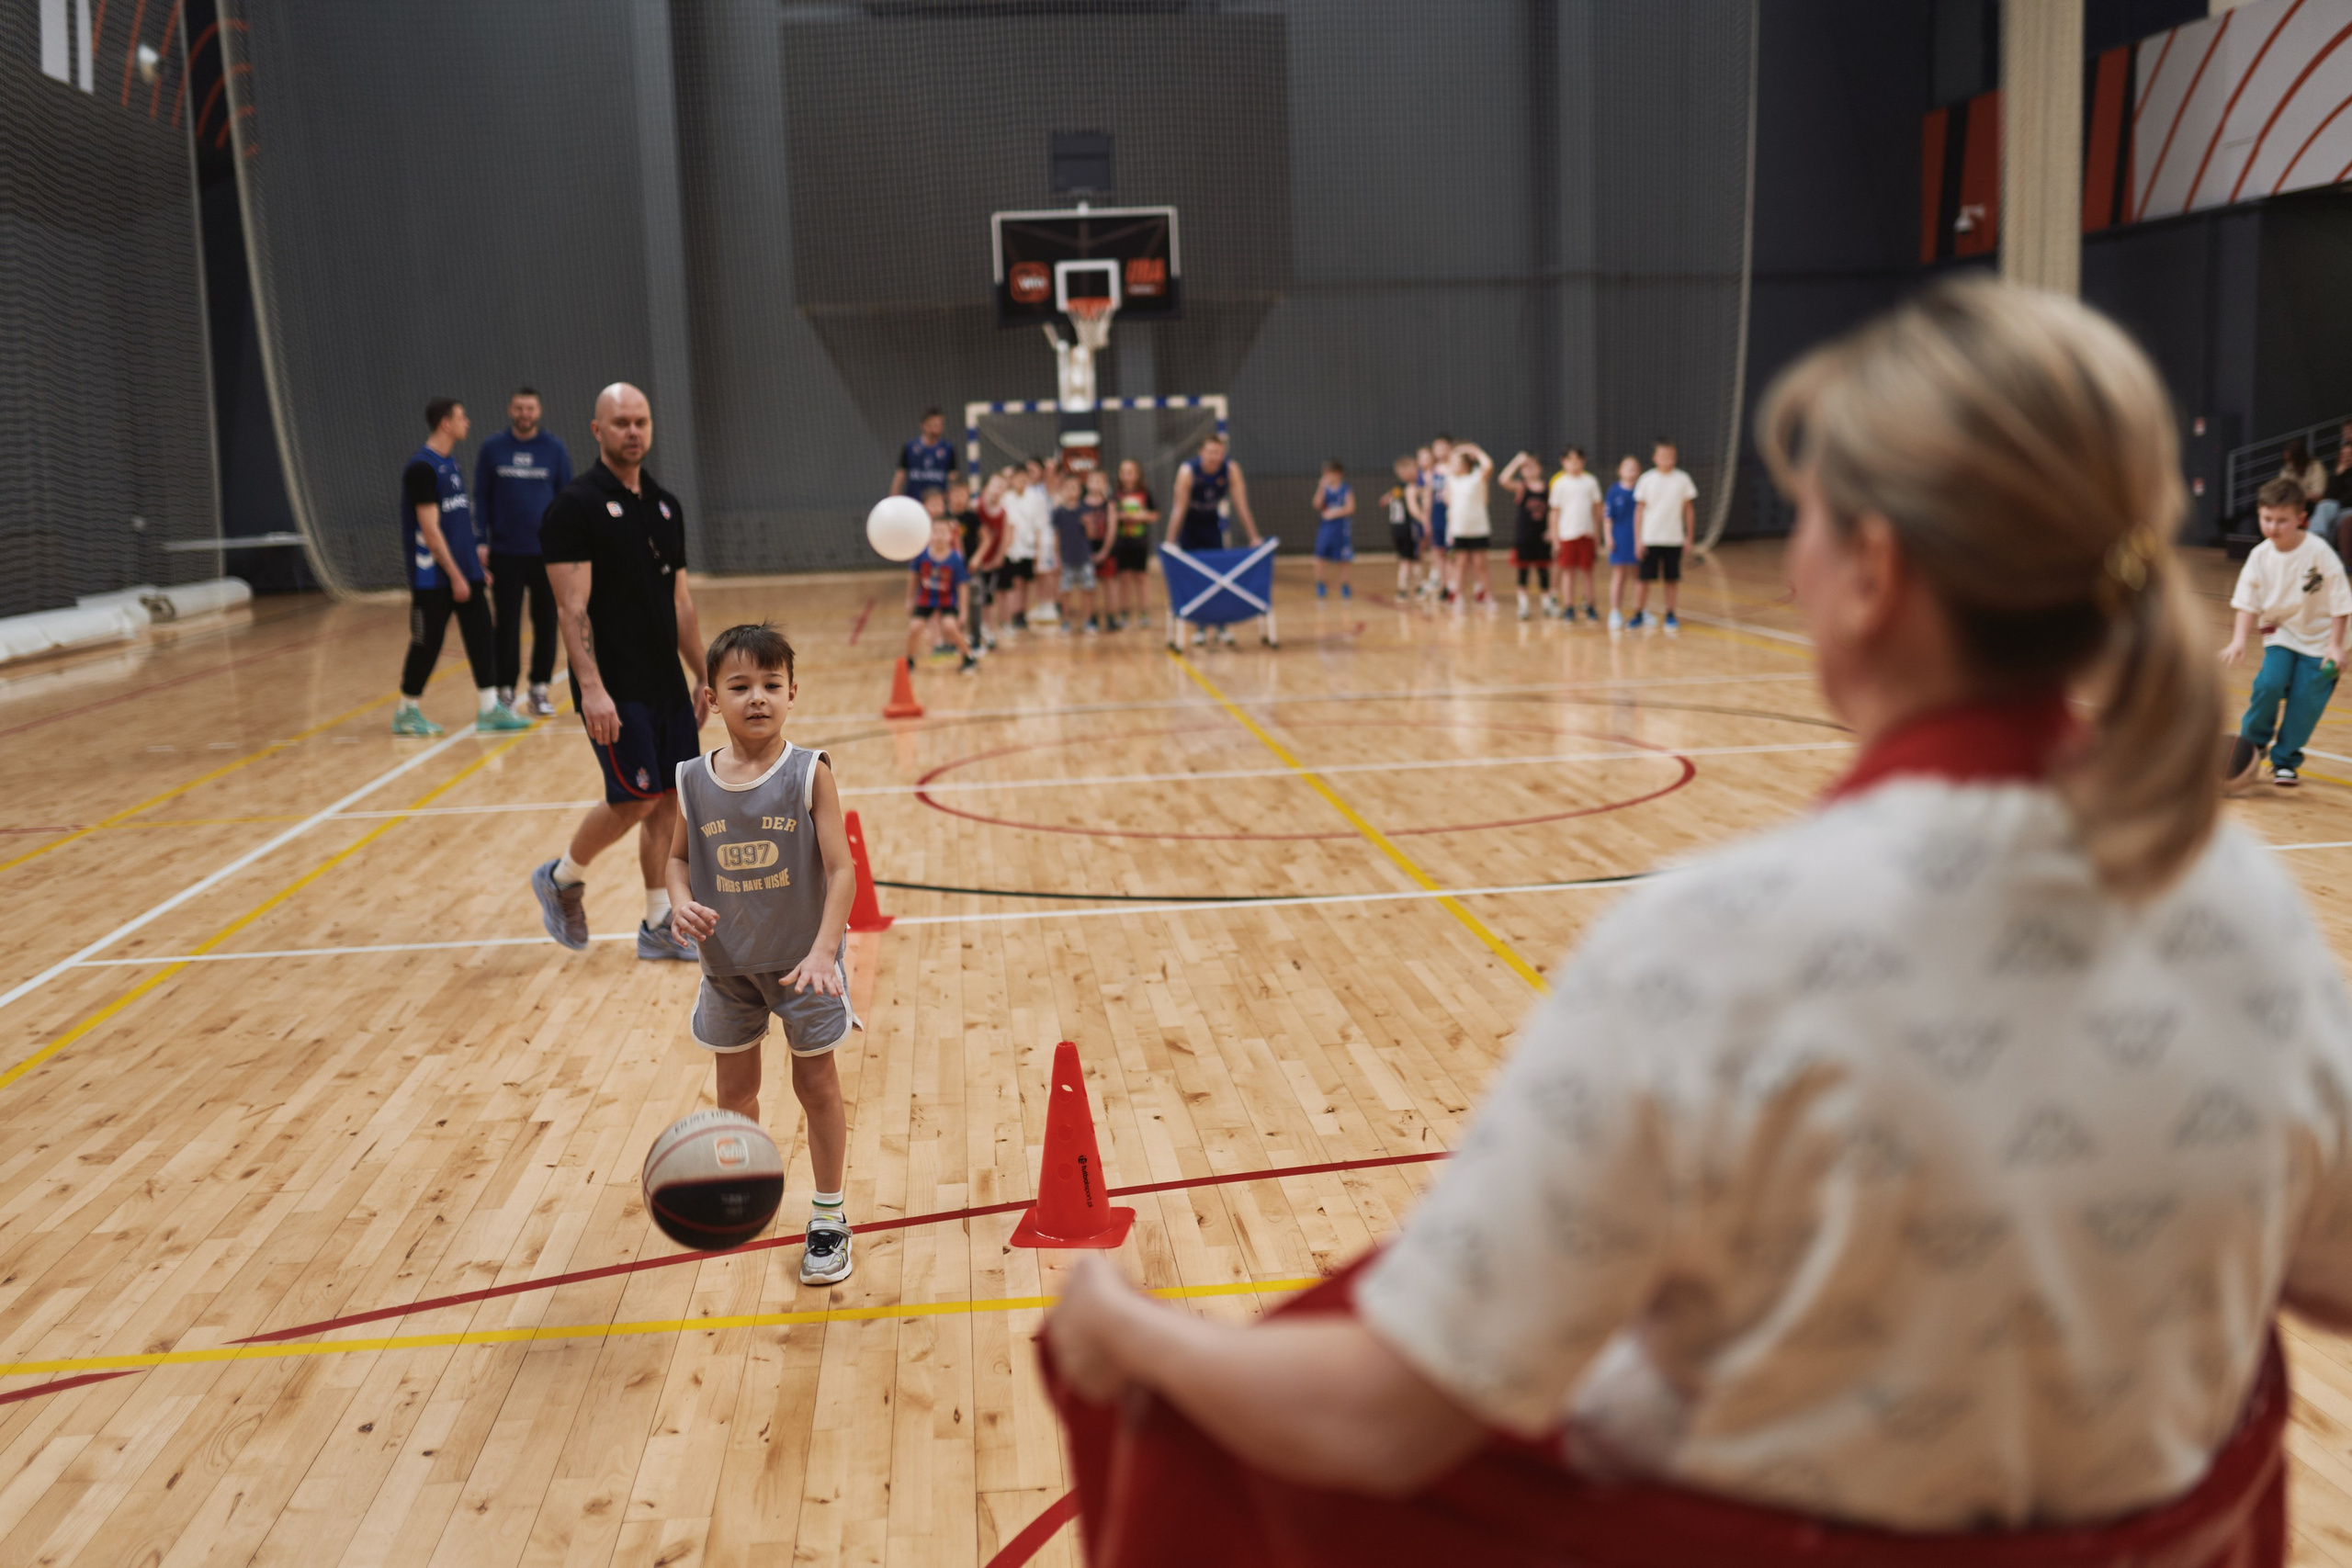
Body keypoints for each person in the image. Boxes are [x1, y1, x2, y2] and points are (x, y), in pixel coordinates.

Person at [1046, 282, 2352, 1555]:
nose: (1791, 571)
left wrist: (1140, 1332)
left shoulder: (1720, 945)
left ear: (1877, 567)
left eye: (1812, 524)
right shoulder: (2249, 910)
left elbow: (1392, 1416)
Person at [664, 622, 858, 1287]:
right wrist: (677, 899)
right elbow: (675, 860)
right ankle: (743, 1189)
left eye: (771, 685)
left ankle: (829, 1214)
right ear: (712, 697)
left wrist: (825, 950)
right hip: (726, 966)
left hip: (804, 962)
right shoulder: (692, 778)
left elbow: (842, 871)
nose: (757, 698)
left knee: (816, 1084)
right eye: (739, 685)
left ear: (792, 693)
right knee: (734, 1094)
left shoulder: (810, 773)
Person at [527, 381, 707, 962]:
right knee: (633, 798)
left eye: (641, 421)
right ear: (597, 430)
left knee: (667, 803)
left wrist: (706, 675)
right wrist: (591, 689)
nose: (633, 431)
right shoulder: (574, 507)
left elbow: (680, 602)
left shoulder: (663, 504)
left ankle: (658, 923)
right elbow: (571, 608)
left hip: (666, 684)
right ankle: (562, 878)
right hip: (614, 687)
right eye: (621, 421)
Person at [394, 398, 529, 737]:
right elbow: (431, 531)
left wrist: (472, 568)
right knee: (428, 642)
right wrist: (455, 575)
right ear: (445, 423)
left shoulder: (449, 464)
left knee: (482, 636)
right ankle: (406, 710)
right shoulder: (421, 468)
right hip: (433, 579)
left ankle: (489, 710)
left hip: (464, 572)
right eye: (461, 417)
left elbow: (457, 525)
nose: (467, 422)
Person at [2221, 475, 2350, 790]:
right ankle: (2250, 748)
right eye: (2266, 519)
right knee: (2269, 683)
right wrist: (2239, 639)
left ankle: (2286, 760)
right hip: (2282, 633)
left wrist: (2336, 646)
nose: (2273, 527)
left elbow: (2341, 602)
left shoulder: (2320, 553)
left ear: (2301, 519)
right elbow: (2247, 601)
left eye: (2282, 520)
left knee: (2306, 703)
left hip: (2323, 641)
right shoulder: (2260, 556)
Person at [474, 386, 573, 717]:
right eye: (519, 408)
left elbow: (566, 500)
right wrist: (480, 540)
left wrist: (566, 544)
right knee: (506, 625)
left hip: (546, 554)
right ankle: (505, 692)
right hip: (505, 553)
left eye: (530, 408)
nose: (524, 414)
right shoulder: (492, 449)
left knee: (547, 622)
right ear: (510, 410)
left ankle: (539, 689)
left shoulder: (554, 449)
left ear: (539, 411)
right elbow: (482, 497)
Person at [1166, 434, 1263, 647]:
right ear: (1201, 452)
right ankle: (1200, 626)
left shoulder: (1231, 469)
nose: (1215, 456)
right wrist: (1170, 542)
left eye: (1219, 452)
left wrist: (1254, 537)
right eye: (1211, 452)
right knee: (1195, 577)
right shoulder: (1187, 471)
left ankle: (1221, 626)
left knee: (1219, 576)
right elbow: (1179, 507)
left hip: (1212, 526)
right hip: (1189, 528)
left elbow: (1241, 504)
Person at [1629, 437, 1698, 634]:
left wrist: (1689, 537)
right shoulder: (1646, 479)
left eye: (1671, 456)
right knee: (1643, 579)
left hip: (1674, 539)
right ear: (1654, 458)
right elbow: (1639, 511)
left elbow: (1689, 510)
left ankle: (1670, 614)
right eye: (1663, 456)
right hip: (1650, 539)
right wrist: (1638, 540)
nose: (1667, 460)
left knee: (1671, 579)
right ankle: (1638, 613)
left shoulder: (1683, 479)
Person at [905, 513, 978, 674]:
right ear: (929, 534)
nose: (939, 536)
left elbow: (962, 586)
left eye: (943, 532)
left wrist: (963, 611)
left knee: (950, 627)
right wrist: (910, 600)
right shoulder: (921, 555)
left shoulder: (955, 559)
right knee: (914, 628)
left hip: (947, 600)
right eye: (935, 532)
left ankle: (968, 656)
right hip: (926, 599)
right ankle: (909, 660)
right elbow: (913, 577)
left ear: (951, 535)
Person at [1549, 445, 1603, 624]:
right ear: (1563, 462)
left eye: (1578, 459)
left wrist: (1597, 536)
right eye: (1570, 459)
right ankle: (1569, 607)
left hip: (1586, 534)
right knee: (1568, 573)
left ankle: (1590, 606)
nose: (1574, 463)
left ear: (1583, 461)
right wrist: (1555, 538)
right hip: (1567, 535)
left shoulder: (1590, 482)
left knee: (1587, 572)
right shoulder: (1559, 483)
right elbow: (1554, 513)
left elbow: (1597, 512)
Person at [1498, 451, 1551, 619]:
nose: (1529, 470)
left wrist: (1551, 531)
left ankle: (1547, 603)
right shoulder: (1522, 487)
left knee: (1543, 571)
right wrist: (1516, 461)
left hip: (1542, 537)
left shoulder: (1547, 488)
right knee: (1523, 572)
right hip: (1524, 536)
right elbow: (1503, 480)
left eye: (1533, 466)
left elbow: (1553, 512)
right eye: (1526, 467)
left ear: (1540, 469)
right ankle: (1523, 605)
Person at [1442, 442, 1494, 609]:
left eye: (1457, 462)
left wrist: (1474, 450)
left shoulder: (1476, 477)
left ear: (1465, 465)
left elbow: (1489, 465)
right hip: (1459, 529)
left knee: (1480, 565)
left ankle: (1488, 597)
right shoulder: (1451, 480)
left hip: (1478, 529)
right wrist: (1458, 450)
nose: (1453, 465)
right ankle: (1458, 597)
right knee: (1460, 565)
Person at [1109, 457, 1158, 628]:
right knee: (1125, 578)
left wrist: (1140, 516)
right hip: (1122, 543)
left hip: (1140, 543)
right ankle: (1124, 613)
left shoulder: (1145, 493)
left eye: (1131, 472)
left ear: (1137, 475)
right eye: (1124, 472)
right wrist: (1119, 517)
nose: (1127, 476)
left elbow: (1154, 514)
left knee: (1141, 578)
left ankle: (1144, 612)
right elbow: (1111, 515)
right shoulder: (1116, 495)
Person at [999, 463, 1046, 632]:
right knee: (1015, 582)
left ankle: (1022, 613)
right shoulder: (1005, 498)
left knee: (1026, 582)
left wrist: (1039, 549)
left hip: (1029, 546)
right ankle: (1012, 614)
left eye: (1024, 478)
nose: (1021, 482)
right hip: (1012, 548)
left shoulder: (1035, 498)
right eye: (1017, 478)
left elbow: (1039, 525)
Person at [1050, 473, 1097, 634]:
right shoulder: (1059, 512)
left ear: (1079, 490)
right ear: (1062, 490)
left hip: (1084, 558)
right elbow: (1056, 536)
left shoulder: (1085, 510)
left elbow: (1092, 535)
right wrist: (1055, 558)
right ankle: (1065, 621)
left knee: (1088, 590)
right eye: (1068, 488)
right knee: (1065, 592)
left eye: (1075, 488)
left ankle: (1088, 620)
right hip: (1066, 559)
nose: (1071, 491)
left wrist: (1089, 524)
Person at [969, 472, 1008, 649]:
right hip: (974, 562)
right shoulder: (976, 508)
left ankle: (990, 632)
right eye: (994, 485)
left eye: (1001, 487)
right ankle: (974, 632)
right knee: (973, 599)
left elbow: (1005, 537)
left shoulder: (1003, 513)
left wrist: (998, 558)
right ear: (986, 489)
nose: (997, 490)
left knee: (988, 598)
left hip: (990, 563)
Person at [1603, 455, 1641, 631]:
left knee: (1638, 576)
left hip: (1638, 538)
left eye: (1634, 467)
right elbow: (1607, 518)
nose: (1631, 471)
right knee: (1619, 576)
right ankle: (1615, 611)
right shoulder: (1614, 491)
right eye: (1627, 467)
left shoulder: (1642, 490)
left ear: (1639, 471)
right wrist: (1609, 537)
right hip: (1620, 537)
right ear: (1619, 471)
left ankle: (1640, 611)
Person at [1382, 455, 1422, 604]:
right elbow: (1413, 509)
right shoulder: (1410, 487)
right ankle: (1410, 589)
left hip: (1395, 528)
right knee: (1413, 559)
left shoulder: (1396, 488)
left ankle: (1406, 589)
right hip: (1407, 527)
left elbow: (1383, 502)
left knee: (1405, 559)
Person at [890, 407, 956, 499]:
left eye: (939, 425)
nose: (936, 428)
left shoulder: (948, 449)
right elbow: (899, 477)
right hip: (914, 503)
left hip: (937, 506)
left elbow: (953, 479)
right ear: (923, 425)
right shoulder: (910, 448)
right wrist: (892, 500)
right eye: (933, 425)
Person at [1313, 459, 1355, 600]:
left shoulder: (1345, 489)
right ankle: (1320, 584)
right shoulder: (1324, 489)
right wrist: (1320, 488)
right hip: (1326, 529)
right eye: (1325, 474)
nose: (1328, 477)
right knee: (1320, 557)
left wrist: (1335, 513)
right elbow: (1317, 504)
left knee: (1343, 559)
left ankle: (1345, 585)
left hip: (1341, 529)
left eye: (1330, 474)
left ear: (1338, 474)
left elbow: (1350, 508)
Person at [1426, 435, 1455, 601]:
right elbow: (1428, 497)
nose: (1440, 450)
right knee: (1438, 553)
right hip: (1436, 516)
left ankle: (1452, 587)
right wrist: (1426, 519)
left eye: (1443, 447)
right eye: (1436, 447)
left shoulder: (1454, 468)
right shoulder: (1432, 471)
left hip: (1451, 517)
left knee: (1452, 554)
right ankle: (1443, 586)